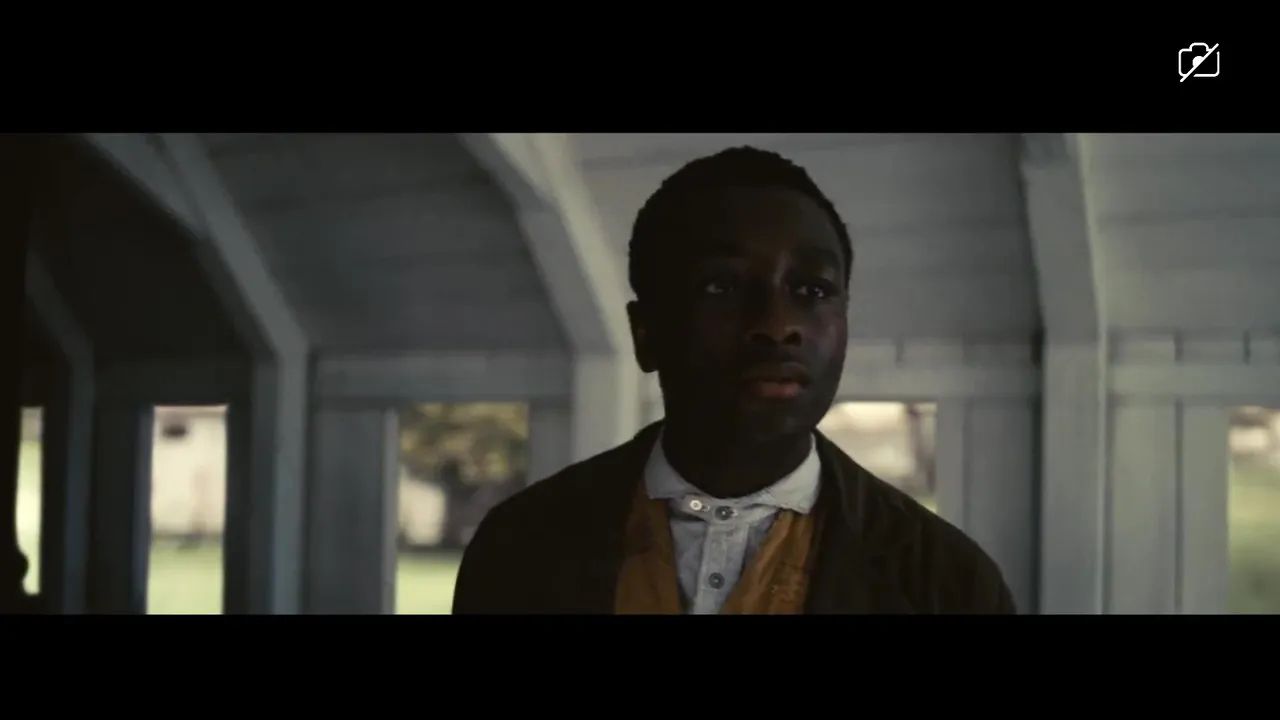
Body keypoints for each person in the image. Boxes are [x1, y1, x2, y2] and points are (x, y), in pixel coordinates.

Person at [452, 146, 1016, 614]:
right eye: (721, 286)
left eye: (813, 289)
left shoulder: (947, 583)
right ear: (646, 333)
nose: (778, 325)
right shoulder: (520, 545)